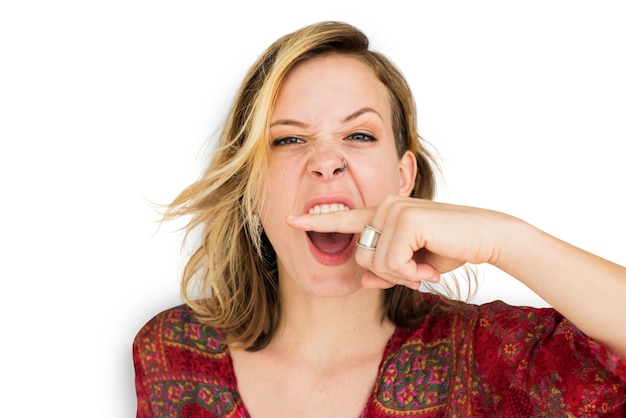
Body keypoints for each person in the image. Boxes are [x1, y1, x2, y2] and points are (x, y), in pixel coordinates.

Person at [132, 21, 626, 417]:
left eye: (360, 135)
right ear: (250, 185)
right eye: (288, 139)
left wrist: (503, 238)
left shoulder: (487, 357)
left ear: (403, 177)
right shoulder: (172, 354)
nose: (326, 160)